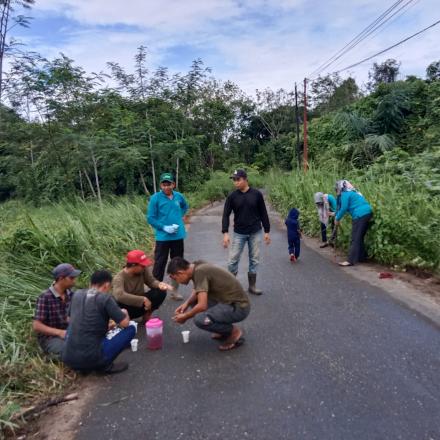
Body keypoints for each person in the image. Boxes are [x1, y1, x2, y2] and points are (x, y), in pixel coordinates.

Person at [168, 257, 250, 351]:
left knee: (200, 319)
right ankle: (223, 329)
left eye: (176, 279)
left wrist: (185, 316)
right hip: (228, 302)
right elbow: (198, 289)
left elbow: (202, 306)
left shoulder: (199, 272)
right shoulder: (197, 265)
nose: (178, 282)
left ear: (180, 273)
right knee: (194, 302)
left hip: (239, 307)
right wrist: (186, 303)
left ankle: (234, 332)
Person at [62, 270, 135, 374]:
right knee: (131, 328)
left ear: (90, 283)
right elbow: (124, 323)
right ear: (106, 285)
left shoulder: (77, 294)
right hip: (93, 358)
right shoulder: (105, 298)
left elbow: (69, 319)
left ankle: (80, 365)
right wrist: (125, 313)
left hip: (68, 358)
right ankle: (104, 366)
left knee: (73, 326)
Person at [222, 169, 271, 295]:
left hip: (255, 231)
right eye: (234, 180)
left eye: (238, 179)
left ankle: (252, 286)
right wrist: (225, 233)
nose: (235, 182)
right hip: (239, 233)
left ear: (245, 179)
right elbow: (225, 215)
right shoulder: (232, 196)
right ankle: (231, 287)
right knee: (233, 260)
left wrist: (267, 231)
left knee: (254, 259)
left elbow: (263, 213)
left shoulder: (257, 194)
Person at [147, 172, 189, 301]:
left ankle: (174, 291)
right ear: (160, 185)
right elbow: (150, 218)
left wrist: (179, 217)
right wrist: (164, 227)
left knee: (177, 264)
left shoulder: (178, 196)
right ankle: (155, 292)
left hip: (177, 236)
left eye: (168, 184)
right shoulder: (155, 198)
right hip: (163, 237)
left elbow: (185, 206)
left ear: (173, 184)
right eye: (164, 184)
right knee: (159, 264)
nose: (166, 187)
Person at [32, 263, 81, 359]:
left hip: (70, 333)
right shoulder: (45, 297)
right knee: (72, 352)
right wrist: (59, 333)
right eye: (71, 278)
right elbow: (36, 326)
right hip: (50, 338)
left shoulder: (72, 294)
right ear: (61, 278)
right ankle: (50, 357)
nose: (74, 280)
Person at [112, 250, 172, 321]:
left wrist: (159, 284)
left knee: (160, 292)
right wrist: (142, 299)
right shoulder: (119, 278)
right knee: (113, 301)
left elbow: (151, 281)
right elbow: (119, 296)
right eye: (142, 265)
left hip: (142, 306)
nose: (145, 267)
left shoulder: (143, 269)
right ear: (133, 265)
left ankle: (147, 314)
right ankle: (122, 320)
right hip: (127, 308)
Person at [334, 180, 373, 267]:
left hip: (360, 215)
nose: (336, 191)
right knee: (359, 237)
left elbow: (344, 208)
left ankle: (350, 260)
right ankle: (362, 257)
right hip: (368, 213)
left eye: (337, 189)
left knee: (355, 237)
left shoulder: (345, 194)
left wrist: (337, 218)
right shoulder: (352, 192)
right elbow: (339, 207)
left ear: (341, 188)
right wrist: (336, 216)